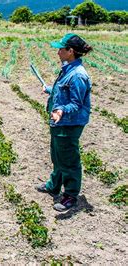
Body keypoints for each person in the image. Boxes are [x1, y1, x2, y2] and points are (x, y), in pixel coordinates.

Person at [36, 33, 93, 212]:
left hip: (69, 123)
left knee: (68, 159)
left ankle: (70, 195)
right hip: (59, 122)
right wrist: (51, 90)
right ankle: (54, 185)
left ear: (71, 51)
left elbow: (76, 103)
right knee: (57, 155)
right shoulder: (68, 68)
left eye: (61, 48)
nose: (57, 52)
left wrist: (61, 110)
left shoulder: (78, 75)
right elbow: (64, 91)